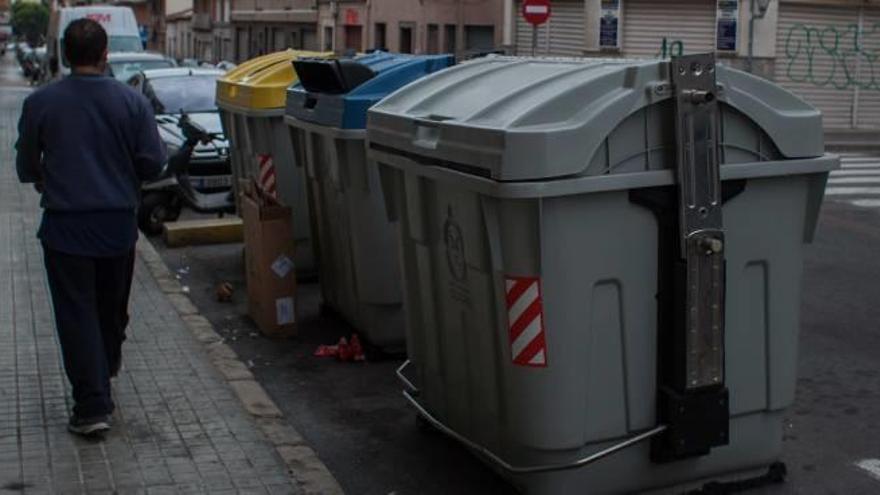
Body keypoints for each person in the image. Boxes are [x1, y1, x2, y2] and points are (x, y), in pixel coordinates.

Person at [15, 19, 165, 437]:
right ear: (104, 55)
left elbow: (26, 167)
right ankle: (105, 368)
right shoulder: (132, 103)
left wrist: (48, 173)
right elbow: (154, 162)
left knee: (76, 313)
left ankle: (92, 405)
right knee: (110, 307)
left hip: (65, 230)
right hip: (117, 226)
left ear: (65, 54)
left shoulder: (41, 103)